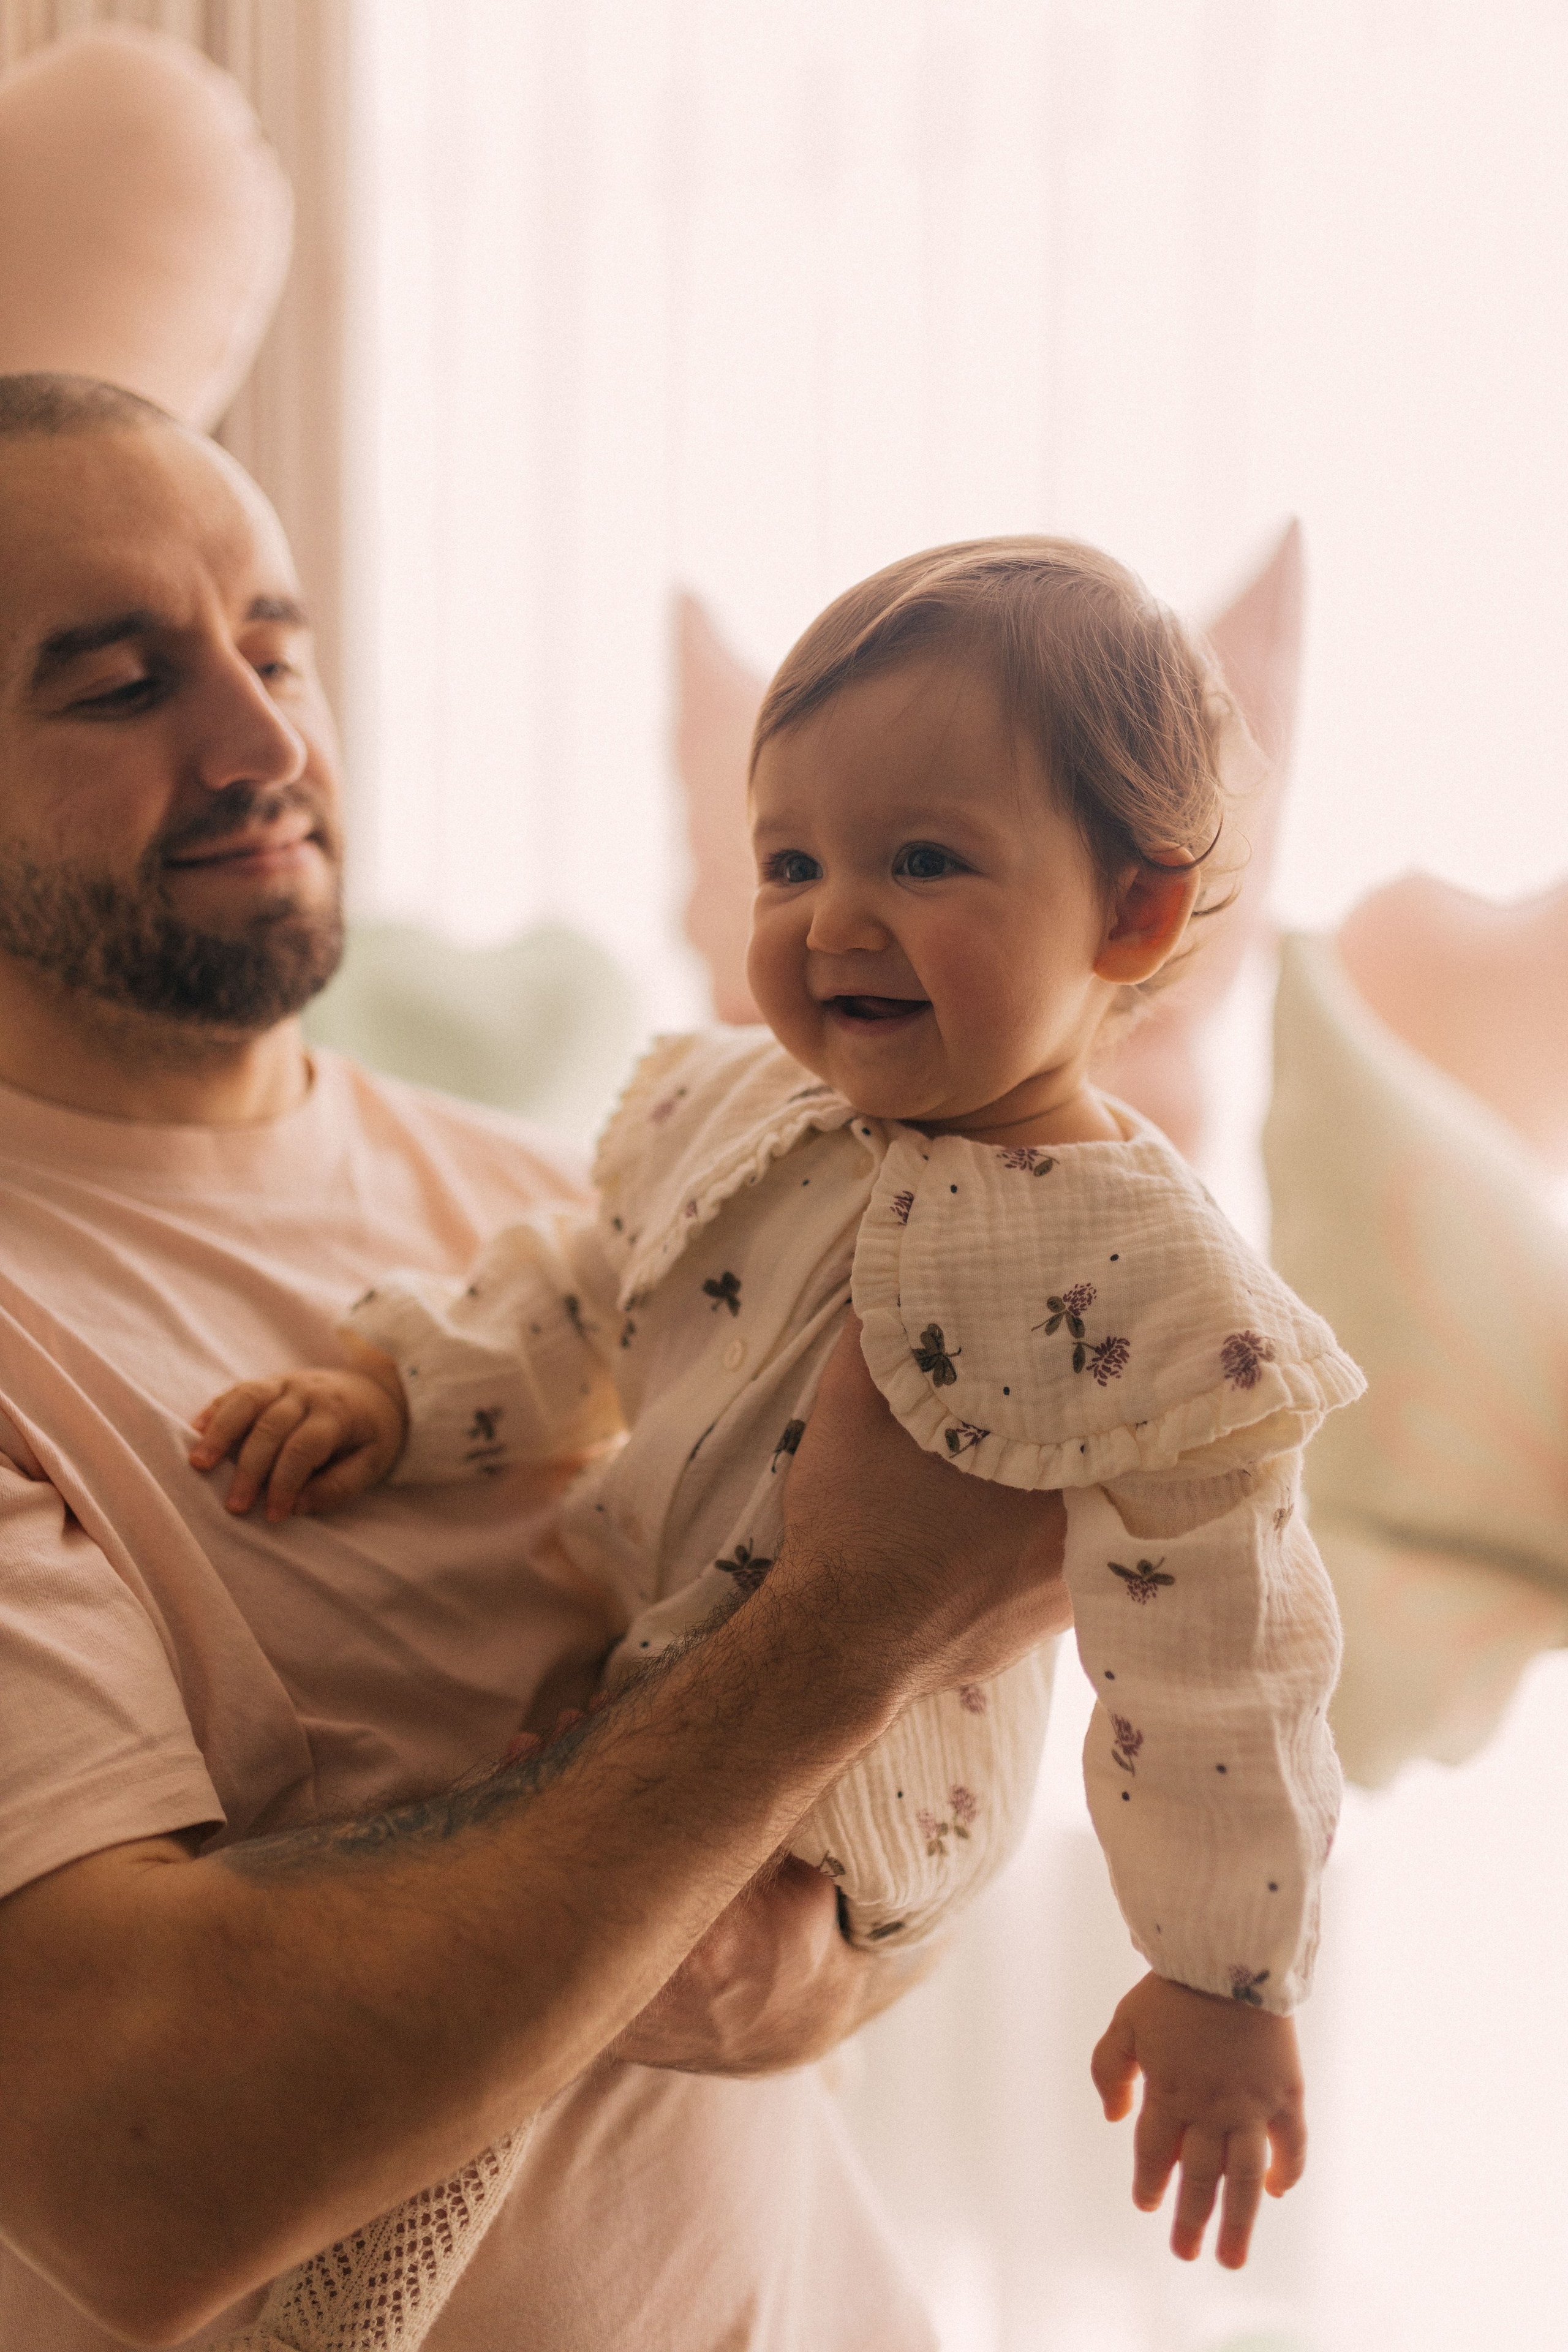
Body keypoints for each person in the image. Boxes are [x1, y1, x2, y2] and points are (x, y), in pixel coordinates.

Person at [0, 374, 1075, 2352]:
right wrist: (852, 1631)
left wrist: (794, 1963)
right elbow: (134, 2166)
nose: (262, 739)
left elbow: (875, 1855)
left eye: (273, 645)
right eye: (117, 683)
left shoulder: (578, 1201)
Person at [204, 538, 1362, 2297]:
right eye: (791, 861)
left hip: (867, 1782)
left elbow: (1227, 1655)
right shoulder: (744, 1102)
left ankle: (333, 2307)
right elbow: (590, 1283)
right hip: (659, 1672)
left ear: (1132, 910)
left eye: (923, 860)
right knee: (444, 1939)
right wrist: (400, 1388)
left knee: (528, 2001)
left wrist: (1223, 1978)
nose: (836, 920)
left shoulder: (1148, 1282)